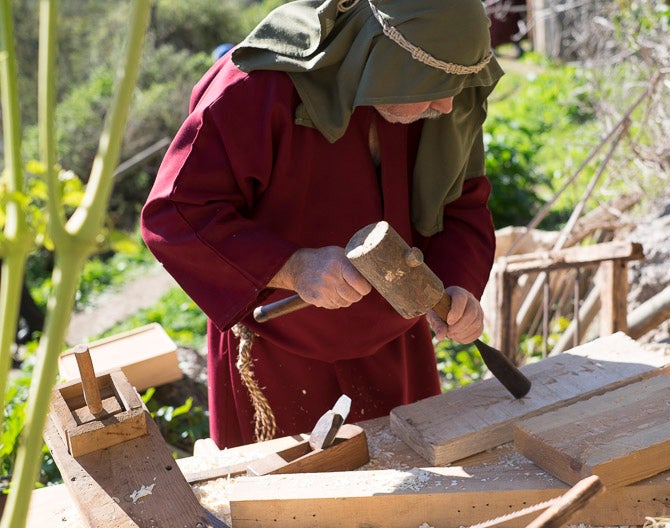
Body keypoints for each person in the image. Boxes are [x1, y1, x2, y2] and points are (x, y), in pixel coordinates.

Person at [140, 0, 504, 449]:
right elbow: (175, 214)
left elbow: (464, 205)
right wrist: (292, 268)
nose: (446, 105)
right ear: (380, 51)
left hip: (399, 354)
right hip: (278, 359)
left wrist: (458, 285)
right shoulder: (257, 88)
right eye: (433, 85)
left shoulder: (441, 97)